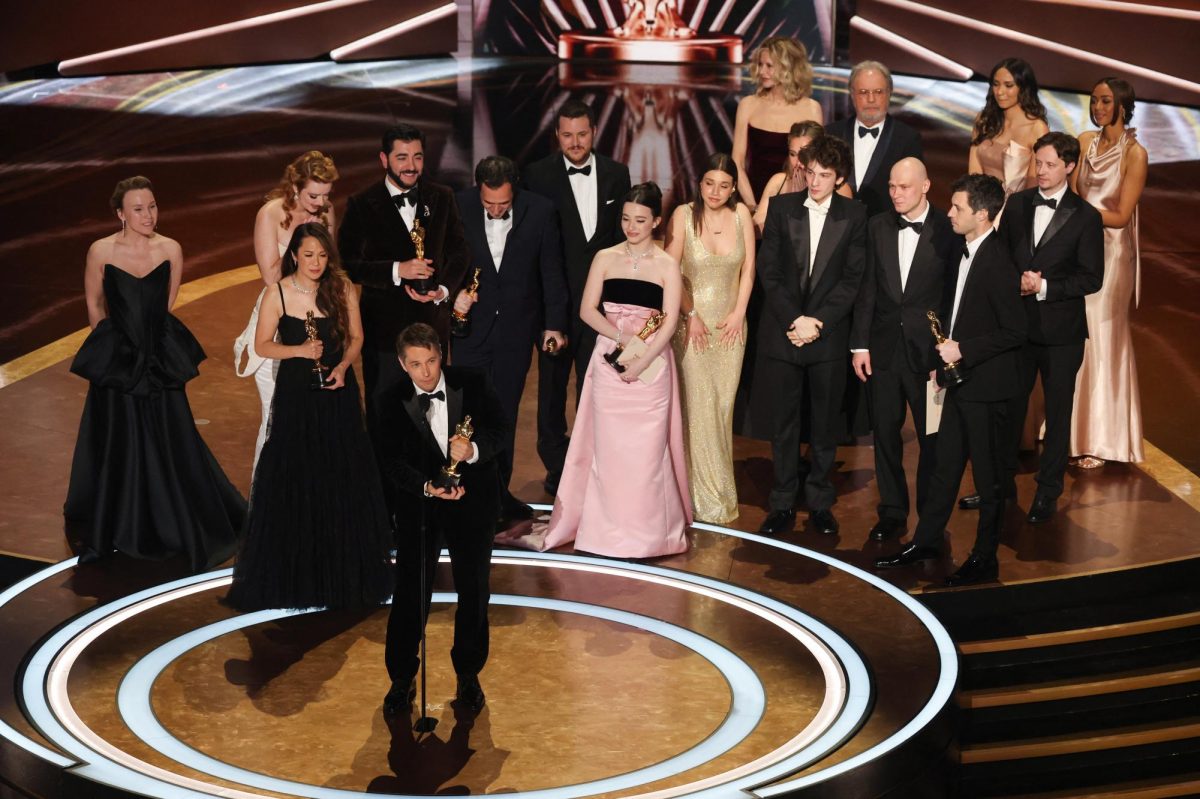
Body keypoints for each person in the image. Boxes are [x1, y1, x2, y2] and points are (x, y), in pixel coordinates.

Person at [64, 176, 245, 572]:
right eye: (139, 209)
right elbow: (95, 304)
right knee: (118, 439)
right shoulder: (100, 251)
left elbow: (165, 302)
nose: (149, 215)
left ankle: (172, 517)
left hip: (159, 357)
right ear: (120, 214)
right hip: (119, 359)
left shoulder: (171, 249)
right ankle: (121, 521)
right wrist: (113, 350)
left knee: (171, 436)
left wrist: (146, 348)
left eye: (153, 206)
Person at [502, 183, 690, 558]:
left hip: (652, 364)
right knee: (609, 450)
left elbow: (668, 322)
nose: (631, 227)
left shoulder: (668, 265)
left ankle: (649, 533)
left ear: (657, 221)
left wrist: (642, 357)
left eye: (639, 220)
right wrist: (621, 337)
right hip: (609, 358)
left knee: (647, 454)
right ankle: (603, 531)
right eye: (625, 219)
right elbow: (587, 310)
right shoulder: (605, 257)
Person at [226, 223, 392, 610]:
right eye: (308, 255)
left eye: (322, 255)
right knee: (297, 473)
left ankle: (342, 569)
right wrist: (300, 351)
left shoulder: (342, 287)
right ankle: (296, 570)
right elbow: (262, 345)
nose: (316, 262)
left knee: (339, 472)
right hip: (297, 396)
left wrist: (344, 367)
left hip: (338, 391)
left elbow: (356, 338)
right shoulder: (278, 292)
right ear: (295, 255)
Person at [874, 174, 1026, 586]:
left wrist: (963, 351)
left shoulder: (998, 261)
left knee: (989, 480)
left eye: (958, 208)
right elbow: (957, 314)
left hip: (989, 389)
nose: (950, 213)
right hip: (959, 383)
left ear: (981, 214)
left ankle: (984, 557)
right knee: (943, 467)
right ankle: (925, 540)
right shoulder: (964, 251)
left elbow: (1016, 330)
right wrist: (943, 368)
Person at [376, 323, 509, 715]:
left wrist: (473, 451)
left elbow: (501, 430)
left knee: (474, 591)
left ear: (441, 356)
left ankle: (468, 676)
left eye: (431, 361)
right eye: (416, 364)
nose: (426, 372)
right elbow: (389, 461)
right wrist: (426, 487)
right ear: (403, 364)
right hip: (421, 508)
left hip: (474, 505)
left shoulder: (474, 382)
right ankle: (401, 680)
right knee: (410, 594)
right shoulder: (388, 400)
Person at [756, 137, 867, 536]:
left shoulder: (855, 215)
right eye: (810, 172)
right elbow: (769, 272)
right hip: (785, 332)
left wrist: (817, 322)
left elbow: (853, 280)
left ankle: (820, 500)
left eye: (824, 175)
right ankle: (782, 501)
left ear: (839, 179)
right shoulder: (782, 207)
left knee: (824, 424)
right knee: (784, 423)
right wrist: (795, 320)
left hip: (827, 337)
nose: (815, 181)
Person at [991, 132, 1104, 524]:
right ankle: (998, 487)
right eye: (1038, 162)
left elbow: (1091, 278)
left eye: (1051, 164)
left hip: (1062, 335)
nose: (1041, 171)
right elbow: (1001, 256)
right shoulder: (1019, 204)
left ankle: (1048, 492)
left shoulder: (1087, 217)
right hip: (1018, 329)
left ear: (1070, 166)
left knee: (1057, 415)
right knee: (1008, 408)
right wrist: (1014, 281)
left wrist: (1044, 286)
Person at [453, 156, 570, 525]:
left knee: (503, 413)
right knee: (468, 414)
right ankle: (466, 493)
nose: (496, 209)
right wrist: (452, 295)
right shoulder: (459, 206)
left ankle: (498, 496)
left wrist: (554, 325)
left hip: (517, 333)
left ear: (514, 190)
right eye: (490, 203)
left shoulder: (540, 211)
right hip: (471, 330)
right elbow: (447, 262)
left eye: (503, 203)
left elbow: (551, 270)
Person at [523, 99, 632, 495]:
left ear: (593, 132)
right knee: (551, 389)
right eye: (567, 135)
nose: (575, 142)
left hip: (602, 309)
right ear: (558, 135)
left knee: (598, 386)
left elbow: (623, 242)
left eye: (582, 134)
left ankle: (597, 460)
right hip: (555, 307)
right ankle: (556, 465)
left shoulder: (618, 175)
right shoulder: (535, 176)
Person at [851, 158, 960, 541]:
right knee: (884, 433)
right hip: (882, 349)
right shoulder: (878, 225)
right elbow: (867, 289)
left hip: (927, 355)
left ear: (926, 186)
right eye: (892, 186)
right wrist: (860, 344)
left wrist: (945, 353)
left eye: (905, 187)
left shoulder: (948, 229)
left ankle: (930, 517)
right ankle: (893, 512)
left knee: (932, 439)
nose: (896, 194)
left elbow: (952, 298)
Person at [337, 123, 469, 426]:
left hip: (432, 326)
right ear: (384, 159)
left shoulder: (442, 196)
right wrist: (398, 270)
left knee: (433, 413)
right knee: (385, 412)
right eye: (402, 157)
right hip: (384, 333)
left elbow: (460, 252)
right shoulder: (361, 203)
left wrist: (444, 291)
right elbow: (347, 263)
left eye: (418, 157)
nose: (411, 166)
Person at [665, 154, 756, 524]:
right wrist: (690, 314)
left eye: (723, 185)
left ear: (733, 187)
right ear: (699, 184)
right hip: (693, 327)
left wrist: (738, 313)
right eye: (708, 183)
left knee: (721, 411)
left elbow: (749, 269)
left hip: (732, 328)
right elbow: (670, 269)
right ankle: (706, 501)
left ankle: (714, 494)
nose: (715, 192)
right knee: (699, 411)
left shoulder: (742, 216)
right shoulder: (683, 216)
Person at [235, 151, 338, 472]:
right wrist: (301, 240)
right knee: (276, 414)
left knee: (313, 416)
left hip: (316, 320)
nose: (321, 203)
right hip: (278, 321)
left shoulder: (326, 211)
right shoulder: (270, 214)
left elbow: (328, 268)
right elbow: (270, 277)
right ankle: (265, 504)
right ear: (295, 187)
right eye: (313, 195)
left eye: (326, 195)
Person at [1070, 77, 1147, 468]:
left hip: (1113, 255)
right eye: (1094, 100)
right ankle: (1072, 429)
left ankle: (1100, 437)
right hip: (1080, 247)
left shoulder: (1136, 154)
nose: (1098, 107)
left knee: (1101, 335)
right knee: (1075, 335)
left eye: (1105, 101)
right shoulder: (1084, 142)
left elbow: (1119, 217)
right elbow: (1070, 194)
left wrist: (1081, 215)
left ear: (1122, 105)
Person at [732, 36, 823, 217]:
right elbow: (737, 161)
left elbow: (817, 163)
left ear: (788, 68)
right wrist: (753, 206)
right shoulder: (748, 105)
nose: (762, 71)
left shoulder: (811, 108)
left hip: (796, 197)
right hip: (752, 195)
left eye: (769, 66)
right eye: (760, 64)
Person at [826, 60, 924, 218]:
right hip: (836, 230)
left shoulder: (907, 138)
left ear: (889, 93)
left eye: (878, 92)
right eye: (864, 92)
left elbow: (913, 194)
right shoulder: (831, 133)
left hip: (886, 234)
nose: (871, 99)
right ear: (852, 95)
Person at [968, 58, 1049, 206]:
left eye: (1008, 85)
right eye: (996, 84)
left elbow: (1034, 183)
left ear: (1023, 88)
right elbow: (974, 174)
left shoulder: (1037, 128)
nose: (1000, 92)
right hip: (980, 206)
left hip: (1016, 210)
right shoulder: (984, 120)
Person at [753, 120, 827, 234]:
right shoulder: (778, 181)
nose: (797, 161)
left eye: (804, 154)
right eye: (793, 154)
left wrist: (802, 200)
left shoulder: (836, 187)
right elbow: (758, 226)